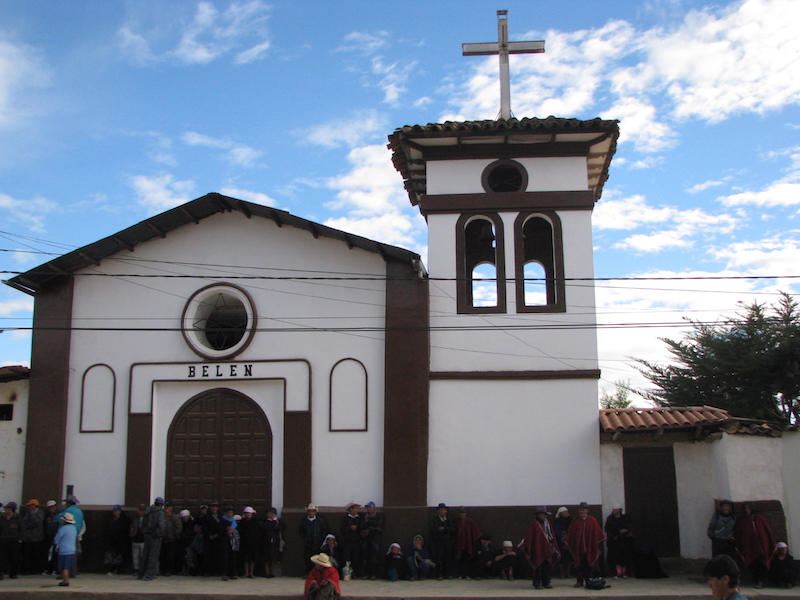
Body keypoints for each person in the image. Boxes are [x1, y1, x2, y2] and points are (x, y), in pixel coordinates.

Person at [565, 502, 606, 588]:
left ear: (587, 510)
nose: (582, 511)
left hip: (590, 547)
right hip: (578, 547)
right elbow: (571, 534)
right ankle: (579, 581)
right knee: (579, 564)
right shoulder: (575, 521)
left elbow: (597, 534)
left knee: (589, 563)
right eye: (580, 509)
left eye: (584, 509)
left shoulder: (592, 520)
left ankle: (589, 580)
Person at [735, 502, 775, 588]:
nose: (747, 510)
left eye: (749, 508)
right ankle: (755, 580)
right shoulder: (743, 520)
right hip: (749, 547)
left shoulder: (760, 519)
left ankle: (761, 581)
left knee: (761, 564)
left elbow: (766, 532)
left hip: (761, 547)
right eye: (746, 508)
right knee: (752, 564)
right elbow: (740, 533)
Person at [524, 506, 560, 589]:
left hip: (547, 549)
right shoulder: (534, 524)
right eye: (543, 514)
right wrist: (528, 547)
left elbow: (551, 535)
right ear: (538, 514)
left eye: (545, 514)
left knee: (547, 566)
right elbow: (529, 537)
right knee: (537, 566)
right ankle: (537, 583)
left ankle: (546, 582)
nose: (545, 516)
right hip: (538, 549)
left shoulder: (547, 524)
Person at [138, 496, 166, 581]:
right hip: (155, 536)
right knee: (153, 556)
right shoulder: (160, 512)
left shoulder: (148, 510)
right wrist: (161, 535)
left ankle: (141, 573)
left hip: (147, 535)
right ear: (161, 504)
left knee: (145, 554)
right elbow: (161, 525)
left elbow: (143, 523)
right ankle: (149, 574)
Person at [605, 503, 634, 579]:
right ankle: (617, 572)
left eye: (616, 510)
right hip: (614, 541)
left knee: (624, 556)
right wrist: (616, 533)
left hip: (624, 540)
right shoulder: (610, 518)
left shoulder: (625, 518)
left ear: (619, 510)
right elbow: (607, 529)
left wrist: (626, 530)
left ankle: (624, 572)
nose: (614, 511)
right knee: (615, 557)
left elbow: (630, 526)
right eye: (614, 510)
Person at [299, 504, 329, 574]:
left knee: (317, 558)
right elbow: (300, 530)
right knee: (307, 558)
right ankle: (308, 572)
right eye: (309, 511)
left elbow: (324, 530)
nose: (311, 513)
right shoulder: (304, 521)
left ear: (315, 512)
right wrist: (305, 538)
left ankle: (316, 573)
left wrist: (320, 539)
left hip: (317, 543)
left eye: (313, 511)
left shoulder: (320, 520)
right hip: (307, 542)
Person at [429, 502, 455, 580]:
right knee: (439, 558)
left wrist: (444, 529)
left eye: (444, 510)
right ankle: (439, 574)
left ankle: (447, 573)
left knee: (448, 558)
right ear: (438, 511)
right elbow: (435, 530)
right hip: (439, 542)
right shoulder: (435, 520)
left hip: (448, 542)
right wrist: (445, 530)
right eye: (441, 510)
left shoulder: (449, 519)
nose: (442, 511)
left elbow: (452, 529)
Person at [455, 507, 481, 580]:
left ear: (466, 513)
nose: (462, 514)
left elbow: (476, 532)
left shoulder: (470, 521)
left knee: (467, 560)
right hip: (459, 544)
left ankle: (467, 574)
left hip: (468, 543)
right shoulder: (457, 521)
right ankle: (460, 574)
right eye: (461, 513)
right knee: (460, 559)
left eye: (463, 513)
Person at [104, 504, 130, 575]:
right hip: (112, 541)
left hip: (121, 541)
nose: (115, 512)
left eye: (116, 511)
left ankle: (120, 569)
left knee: (120, 556)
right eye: (114, 511)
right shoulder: (110, 520)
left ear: (120, 511)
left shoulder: (124, 520)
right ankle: (111, 569)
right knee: (111, 556)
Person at [359, 501, 383, 580]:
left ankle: (374, 574)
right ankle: (365, 574)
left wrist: (369, 522)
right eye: (367, 507)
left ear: (374, 507)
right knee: (365, 557)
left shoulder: (378, 516)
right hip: (366, 539)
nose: (368, 509)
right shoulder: (364, 516)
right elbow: (362, 526)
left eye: (370, 507)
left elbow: (378, 525)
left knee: (374, 557)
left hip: (375, 539)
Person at [21, 499, 45, 575]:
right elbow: (24, 522)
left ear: (34, 506)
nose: (29, 507)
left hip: (37, 538)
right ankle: (28, 570)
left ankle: (36, 569)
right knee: (27, 555)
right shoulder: (27, 513)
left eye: (30, 505)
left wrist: (32, 514)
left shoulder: (41, 512)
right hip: (28, 538)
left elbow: (38, 522)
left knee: (37, 555)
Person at [53, 512, 78, 587]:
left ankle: (65, 580)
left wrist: (57, 544)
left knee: (64, 567)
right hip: (72, 550)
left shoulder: (63, 529)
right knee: (68, 566)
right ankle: (67, 578)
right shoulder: (74, 528)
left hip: (64, 550)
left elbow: (56, 539)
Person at [0, 501, 22, 580]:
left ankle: (13, 573)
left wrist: (20, 538)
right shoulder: (3, 517)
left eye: (8, 509)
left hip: (14, 540)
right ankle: (1, 572)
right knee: (2, 557)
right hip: (3, 540)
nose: (6, 510)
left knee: (14, 557)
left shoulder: (18, 517)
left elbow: (21, 528)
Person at [339, 501, 361, 580]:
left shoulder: (360, 518)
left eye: (357, 508)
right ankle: (346, 573)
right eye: (355, 508)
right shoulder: (346, 519)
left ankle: (354, 573)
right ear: (351, 509)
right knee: (346, 557)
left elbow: (362, 529)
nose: (356, 510)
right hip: (348, 541)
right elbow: (342, 529)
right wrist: (350, 528)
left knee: (355, 557)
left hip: (357, 541)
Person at [262, 506, 283, 578]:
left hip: (275, 541)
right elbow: (266, 528)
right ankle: (267, 572)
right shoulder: (265, 521)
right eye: (269, 513)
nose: (270, 515)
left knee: (274, 557)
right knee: (266, 557)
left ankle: (272, 572)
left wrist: (274, 523)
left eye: (272, 514)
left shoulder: (278, 521)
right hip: (266, 541)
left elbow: (281, 528)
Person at [161, 502, 181, 576]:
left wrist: (173, 535)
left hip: (171, 540)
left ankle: (169, 570)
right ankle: (162, 570)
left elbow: (179, 528)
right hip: (162, 539)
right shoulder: (162, 516)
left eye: (168, 507)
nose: (167, 508)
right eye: (166, 507)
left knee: (170, 556)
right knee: (162, 555)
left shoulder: (175, 517)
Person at [238, 506, 259, 578]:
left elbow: (257, 531)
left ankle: (251, 572)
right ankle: (246, 572)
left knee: (252, 558)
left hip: (253, 542)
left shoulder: (255, 521)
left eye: (249, 513)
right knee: (245, 558)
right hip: (245, 542)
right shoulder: (242, 521)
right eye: (247, 513)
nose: (248, 514)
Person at [553, 506, 573, 579]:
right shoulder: (557, 521)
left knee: (569, 557)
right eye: (564, 512)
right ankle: (562, 574)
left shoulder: (570, 520)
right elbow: (556, 532)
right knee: (562, 558)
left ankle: (568, 573)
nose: (566, 513)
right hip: (560, 541)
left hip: (569, 541)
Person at [43, 500, 60, 575]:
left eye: (52, 507)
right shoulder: (46, 515)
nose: (51, 509)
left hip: (57, 536)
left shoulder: (59, 514)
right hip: (48, 536)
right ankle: (48, 569)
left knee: (56, 553)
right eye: (49, 507)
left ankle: (55, 569)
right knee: (48, 553)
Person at [130, 504, 147, 574]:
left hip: (143, 540)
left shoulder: (146, 520)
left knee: (142, 555)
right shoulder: (135, 520)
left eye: (142, 511)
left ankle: (142, 569)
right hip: (135, 539)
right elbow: (132, 528)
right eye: (139, 510)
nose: (140, 512)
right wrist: (132, 535)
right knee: (135, 556)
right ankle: (136, 569)